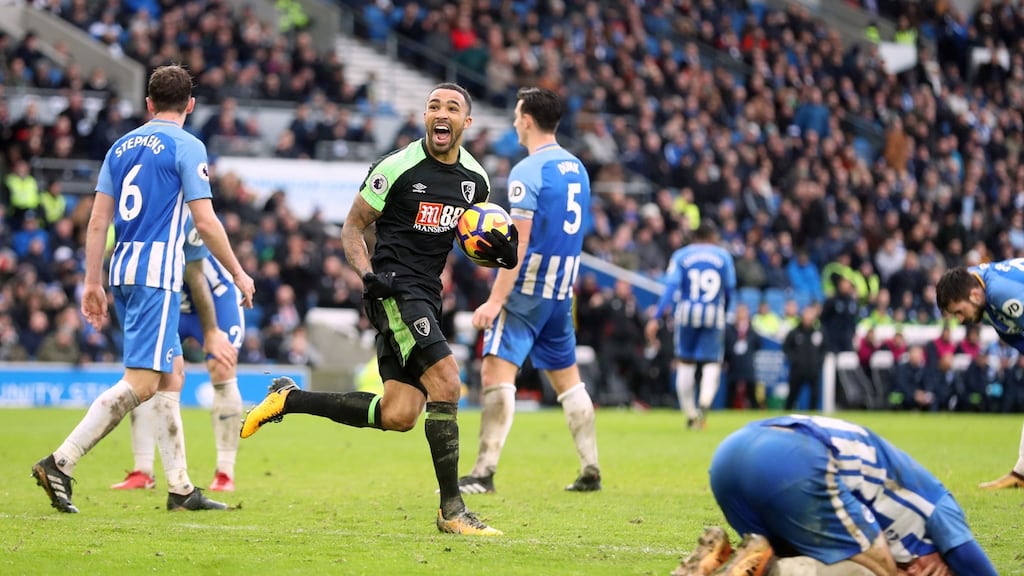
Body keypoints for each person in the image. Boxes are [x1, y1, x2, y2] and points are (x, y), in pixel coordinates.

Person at [239, 83, 516, 535]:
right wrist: (366, 273)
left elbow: (473, 239)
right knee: (448, 381)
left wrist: (494, 253)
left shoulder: (476, 182)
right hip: (392, 290)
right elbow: (352, 227)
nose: (440, 114)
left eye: (451, 108)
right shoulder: (397, 168)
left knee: (399, 414)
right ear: (424, 117)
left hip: (429, 295)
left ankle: (288, 398)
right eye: (432, 107)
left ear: (467, 123)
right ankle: (452, 510)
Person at [31, 64, 255, 514]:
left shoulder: (120, 146)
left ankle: (180, 488)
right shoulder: (188, 146)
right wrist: (236, 271)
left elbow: (97, 221)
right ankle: (61, 462)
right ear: (190, 105)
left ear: (149, 104)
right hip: (157, 275)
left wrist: (92, 281)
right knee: (142, 382)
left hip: (123, 269)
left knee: (171, 374)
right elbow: (206, 221)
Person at [457, 87, 601, 495]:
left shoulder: (528, 172)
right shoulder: (577, 168)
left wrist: (495, 300)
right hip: (561, 291)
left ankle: (483, 472)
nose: (515, 122)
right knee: (569, 381)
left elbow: (517, 245)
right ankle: (591, 466)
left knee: (495, 371)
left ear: (527, 120)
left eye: (517, 115)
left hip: (526, 291)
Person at [671, 414, 998, 576]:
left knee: (788, 554)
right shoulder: (940, 509)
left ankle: (720, 562)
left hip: (732, 453)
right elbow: (976, 563)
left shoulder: (901, 485)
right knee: (875, 570)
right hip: (795, 459)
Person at [111, 215, 245, 492]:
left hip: (215, 299)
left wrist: (211, 333)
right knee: (146, 375)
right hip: (168, 301)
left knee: (222, 368)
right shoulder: (143, 216)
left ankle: (225, 473)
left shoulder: (188, 217)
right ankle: (142, 470)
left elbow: (196, 276)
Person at [936, 262, 1024, 489]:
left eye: (959, 312)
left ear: (974, 295)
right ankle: (1021, 474)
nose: (961, 319)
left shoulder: (1002, 293)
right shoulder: (975, 282)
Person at [645, 222, 736, 429]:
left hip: (686, 314)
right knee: (712, 364)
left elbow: (671, 287)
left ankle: (689, 412)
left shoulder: (681, 256)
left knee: (685, 363)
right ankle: (704, 404)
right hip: (713, 315)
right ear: (713, 237)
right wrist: (724, 311)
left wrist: (656, 316)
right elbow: (729, 291)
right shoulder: (723, 257)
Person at [782, 305, 825, 411]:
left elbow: (825, 349)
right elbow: (786, 348)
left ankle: (813, 418)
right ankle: (786, 417)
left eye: (811, 315)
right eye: (806, 315)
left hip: (813, 370)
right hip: (797, 370)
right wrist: (795, 360)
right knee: (792, 395)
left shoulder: (819, 332)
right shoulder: (794, 332)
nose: (808, 318)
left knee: (815, 396)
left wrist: (819, 362)